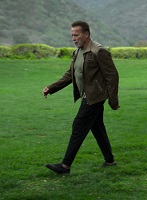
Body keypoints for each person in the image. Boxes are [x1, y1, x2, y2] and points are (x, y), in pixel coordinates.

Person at [42, 20, 120, 174]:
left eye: (76, 35)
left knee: (78, 126)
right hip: (88, 95)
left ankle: (65, 166)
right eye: (72, 35)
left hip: (95, 96)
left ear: (86, 34)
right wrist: (51, 88)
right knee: (97, 127)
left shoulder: (99, 51)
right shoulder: (77, 51)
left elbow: (112, 77)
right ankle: (110, 160)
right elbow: (70, 75)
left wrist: (113, 100)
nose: (73, 38)